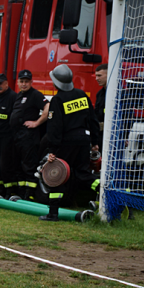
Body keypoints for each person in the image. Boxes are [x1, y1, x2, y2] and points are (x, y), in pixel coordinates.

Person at [39, 65, 101, 221]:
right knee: (83, 173)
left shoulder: (58, 100)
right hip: (84, 140)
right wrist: (95, 141)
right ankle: (104, 190)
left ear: (55, 82)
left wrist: (52, 150)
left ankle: (53, 213)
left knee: (57, 174)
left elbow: (54, 127)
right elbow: (92, 120)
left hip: (67, 142)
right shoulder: (82, 95)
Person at [8, 69, 49, 200]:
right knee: (18, 164)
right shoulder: (19, 95)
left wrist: (37, 123)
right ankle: (21, 192)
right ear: (18, 82)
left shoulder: (35, 95)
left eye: (26, 81)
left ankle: (30, 194)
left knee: (28, 165)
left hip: (29, 136)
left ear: (31, 82)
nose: (24, 84)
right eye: (21, 81)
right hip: (17, 135)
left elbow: (47, 107)